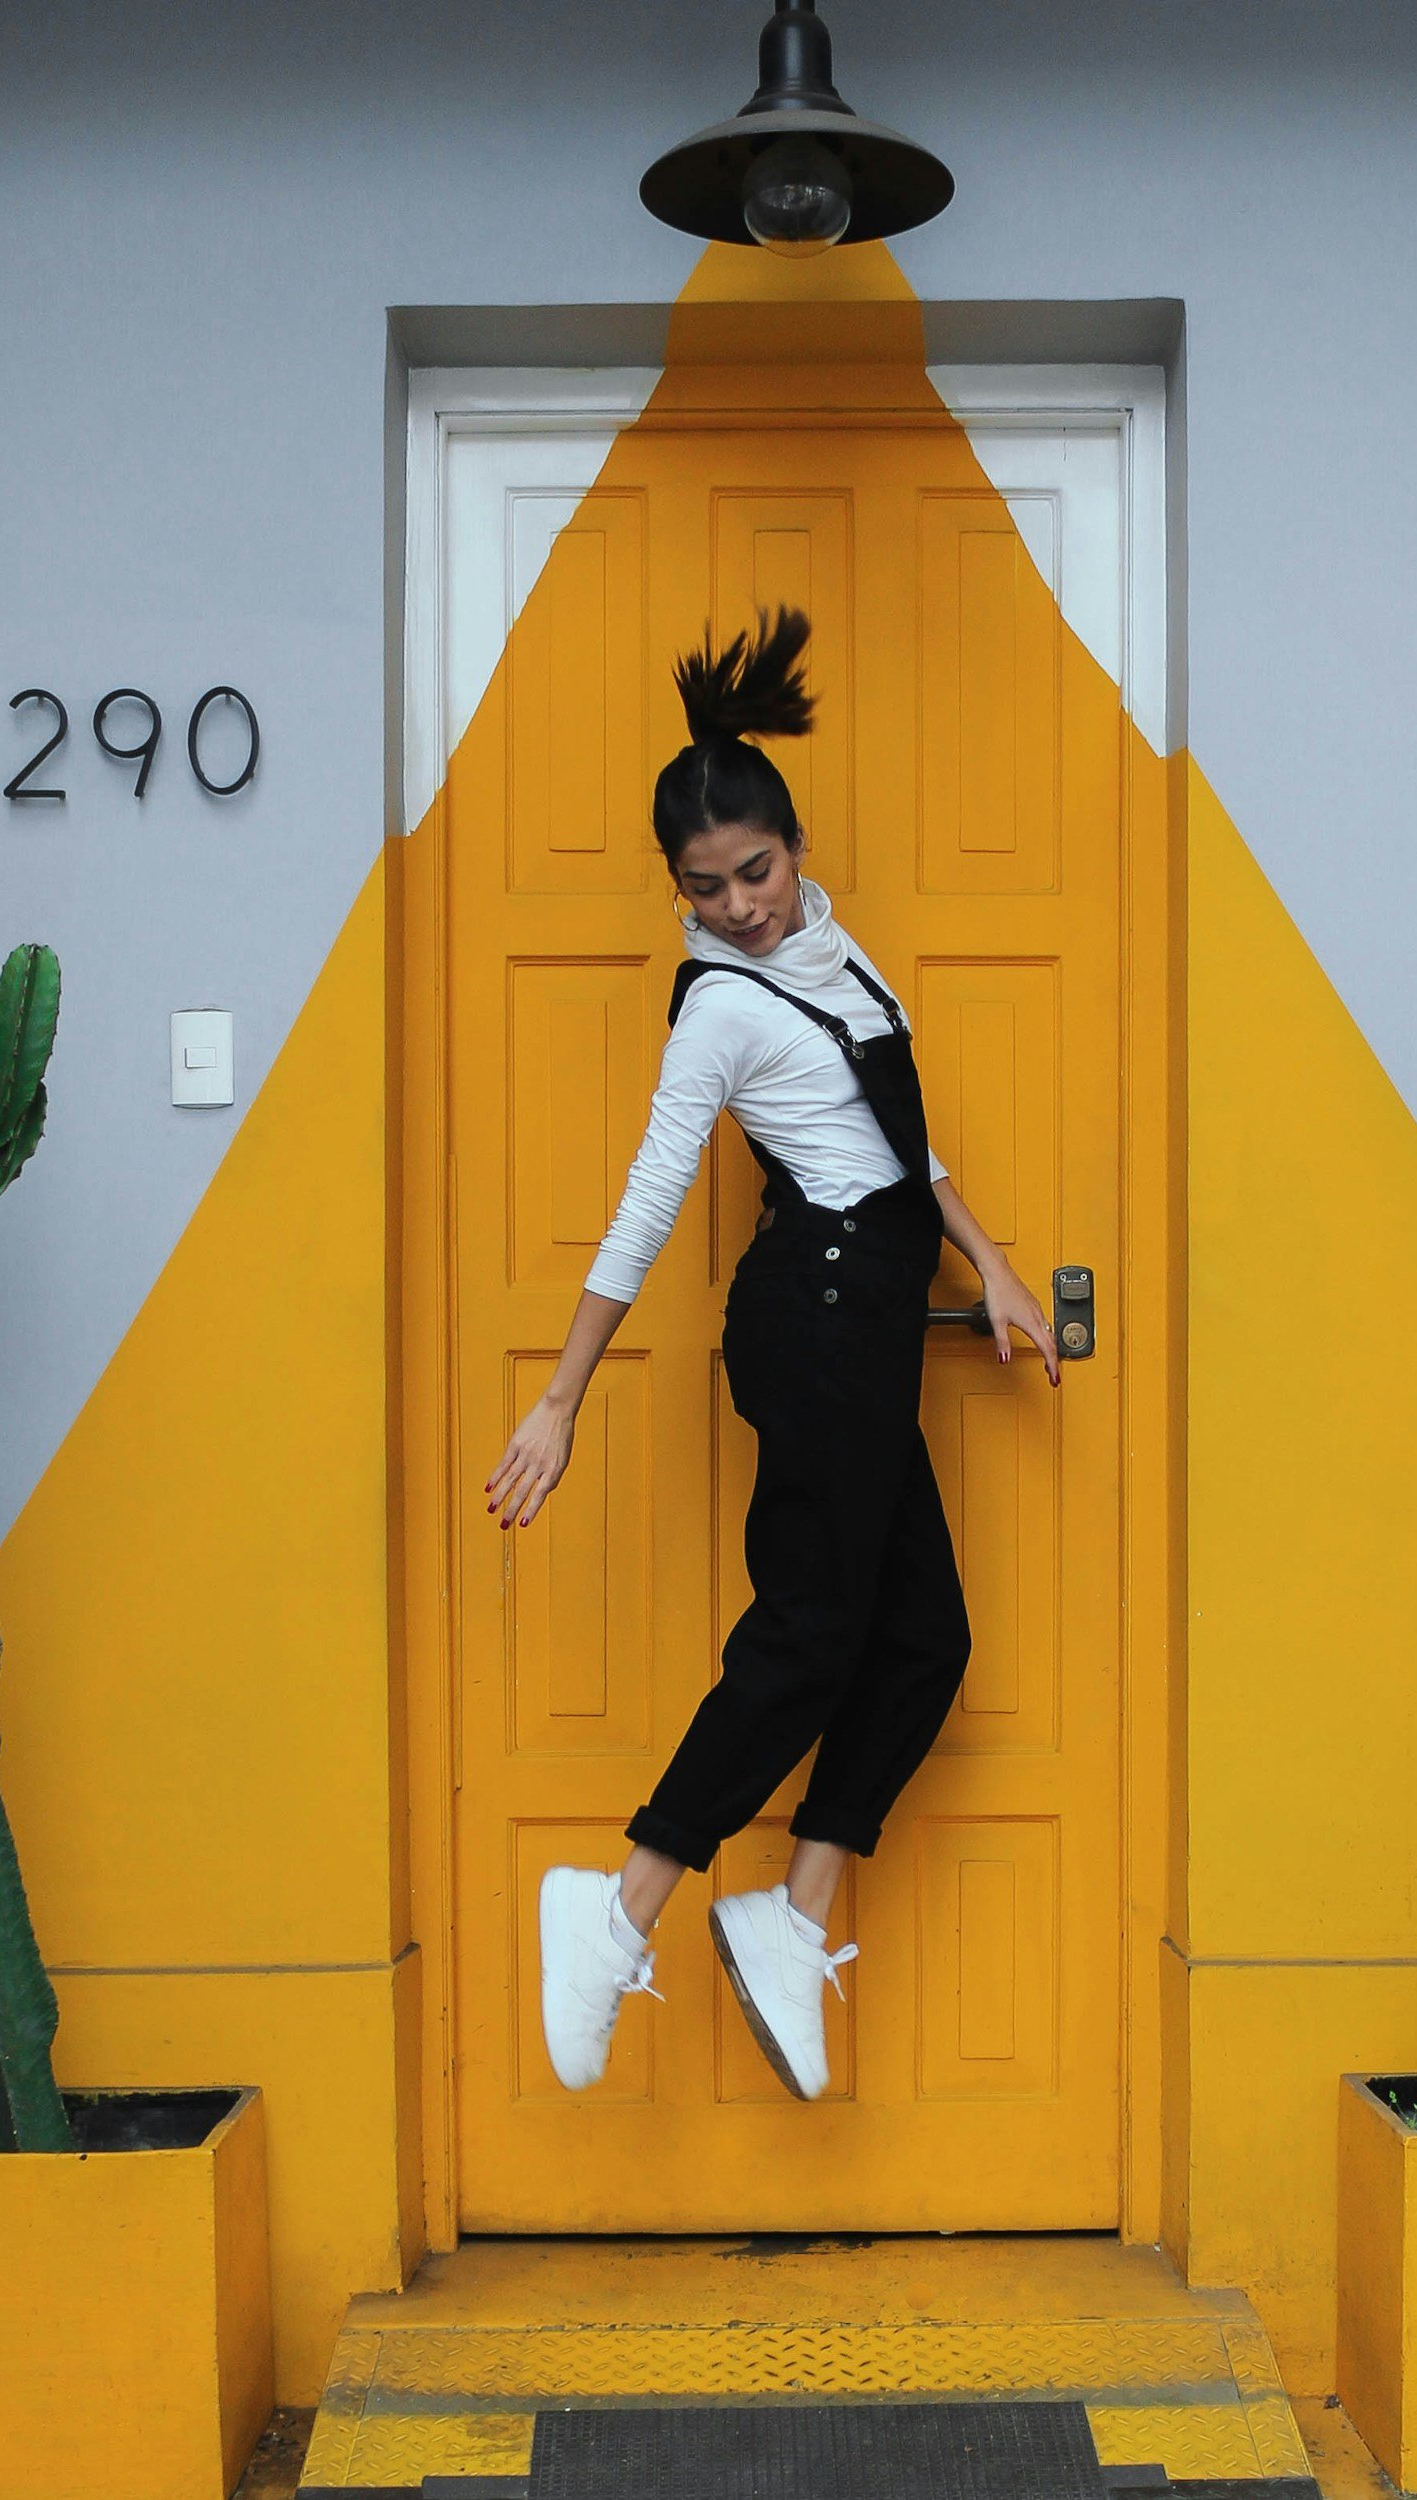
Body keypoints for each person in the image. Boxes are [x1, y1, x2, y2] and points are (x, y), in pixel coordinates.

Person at [485, 607, 1060, 2103]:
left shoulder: (832, 944)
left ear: (794, 850)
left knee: (924, 1640)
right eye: (705, 887)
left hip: (866, 1326)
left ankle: (788, 1917)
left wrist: (988, 1260)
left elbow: (902, 1140)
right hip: (804, 1325)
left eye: (757, 871)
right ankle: (612, 1912)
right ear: (674, 889)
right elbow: (646, 1205)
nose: (738, 906)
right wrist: (558, 1399)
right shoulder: (718, 1014)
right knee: (812, 1632)